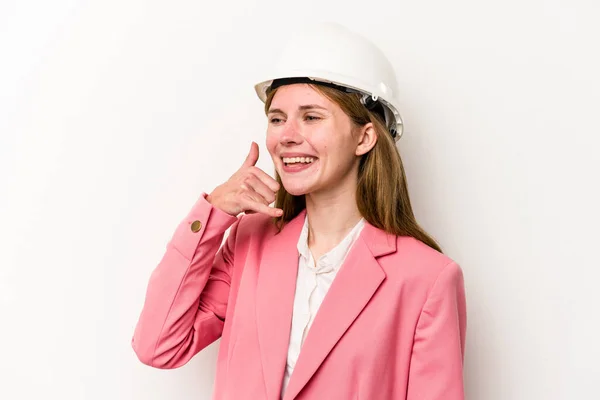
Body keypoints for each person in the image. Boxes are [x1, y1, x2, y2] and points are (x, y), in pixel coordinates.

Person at [132, 22, 467, 400]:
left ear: (365, 136)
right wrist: (213, 214)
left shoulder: (426, 279)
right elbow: (158, 345)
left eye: (311, 116)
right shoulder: (250, 245)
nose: (287, 135)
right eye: (277, 119)